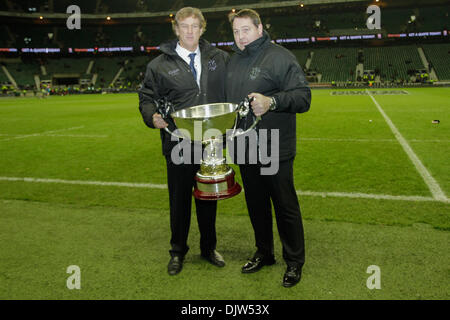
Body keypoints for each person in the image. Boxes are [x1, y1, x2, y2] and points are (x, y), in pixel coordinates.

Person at [138, 7, 229, 275]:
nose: (190, 31)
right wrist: (151, 116)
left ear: (203, 29)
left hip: (210, 141)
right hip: (178, 141)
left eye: (195, 26)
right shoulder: (158, 65)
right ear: (176, 29)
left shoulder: (220, 58)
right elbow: (146, 98)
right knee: (179, 200)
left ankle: (209, 247)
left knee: (207, 197)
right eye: (184, 26)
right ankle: (177, 251)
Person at [226, 9, 311, 287]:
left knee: (285, 206)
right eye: (236, 32)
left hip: (274, 146)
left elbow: (303, 97)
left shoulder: (280, 57)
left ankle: (294, 262)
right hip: (244, 145)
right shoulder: (233, 60)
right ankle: (264, 253)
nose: (240, 37)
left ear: (260, 28)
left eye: (246, 30)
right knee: (256, 204)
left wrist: (271, 102)